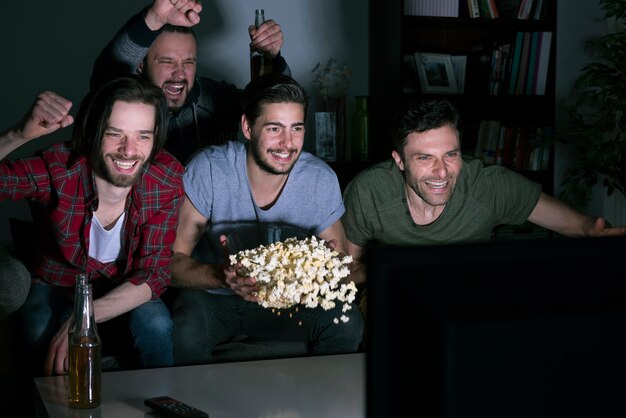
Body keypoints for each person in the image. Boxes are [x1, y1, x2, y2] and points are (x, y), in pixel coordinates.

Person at [168, 73, 364, 366]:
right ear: (247, 127)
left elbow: (341, 265)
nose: (287, 144)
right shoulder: (209, 168)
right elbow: (171, 262)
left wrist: (327, 269)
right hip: (216, 298)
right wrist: (223, 276)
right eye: (274, 128)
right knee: (185, 327)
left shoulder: (318, 179)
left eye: (296, 128)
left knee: (347, 322)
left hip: (291, 303)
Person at [0, 76, 185, 376]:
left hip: (124, 286)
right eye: (115, 134)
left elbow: (154, 273)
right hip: (56, 285)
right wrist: (18, 134)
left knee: (157, 325)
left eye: (143, 136)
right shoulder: (58, 170)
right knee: (35, 328)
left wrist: (84, 316)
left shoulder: (165, 179)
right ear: (95, 132)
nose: (129, 150)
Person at [342, 98, 626, 285]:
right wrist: (396, 269)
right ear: (399, 160)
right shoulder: (369, 191)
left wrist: (596, 232)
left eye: (451, 155)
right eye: (425, 158)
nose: (442, 172)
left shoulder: (488, 186)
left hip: (472, 296)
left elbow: (580, 226)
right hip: (398, 297)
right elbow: (346, 269)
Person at [91, 0, 291, 164]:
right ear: (141, 65)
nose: (179, 74)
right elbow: (111, 70)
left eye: (188, 62)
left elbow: (273, 107)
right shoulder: (127, 97)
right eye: (167, 61)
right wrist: (154, 18)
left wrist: (273, 58)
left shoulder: (211, 95)